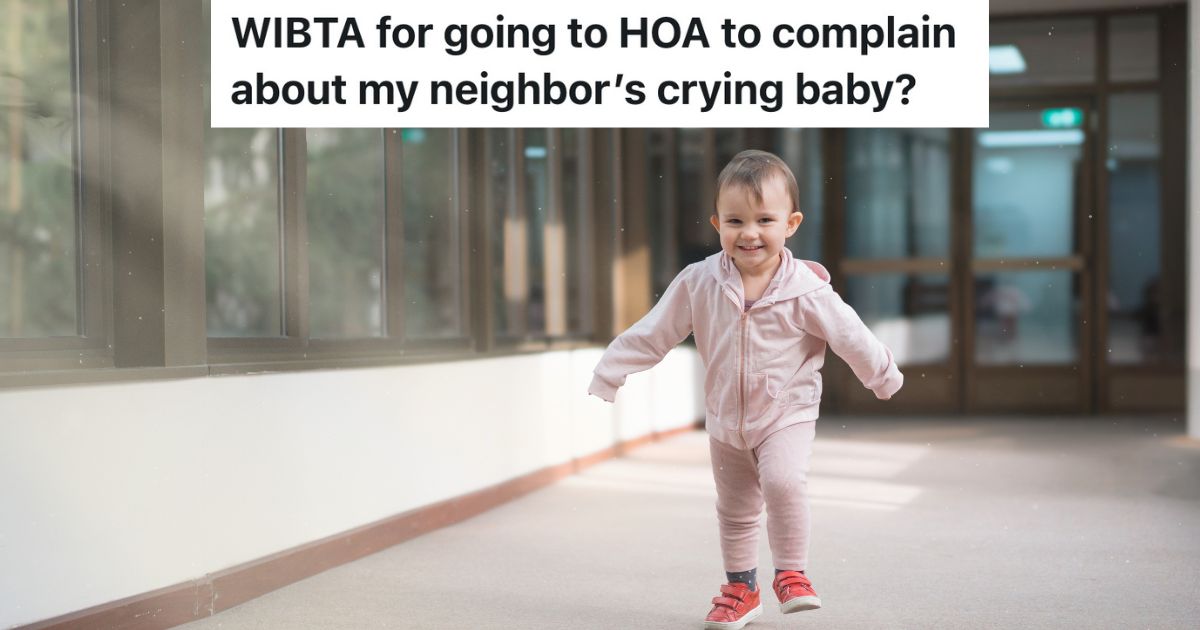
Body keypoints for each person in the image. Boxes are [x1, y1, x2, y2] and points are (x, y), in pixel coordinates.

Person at [588, 149, 903, 629]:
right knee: (734, 509)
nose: (749, 233)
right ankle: (741, 587)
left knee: (782, 481)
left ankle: (791, 574)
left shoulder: (807, 290)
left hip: (787, 412)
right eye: (734, 220)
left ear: (791, 223)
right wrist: (611, 370)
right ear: (717, 223)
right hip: (725, 419)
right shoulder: (699, 282)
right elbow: (655, 331)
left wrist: (883, 376)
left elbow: (850, 335)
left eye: (764, 220)